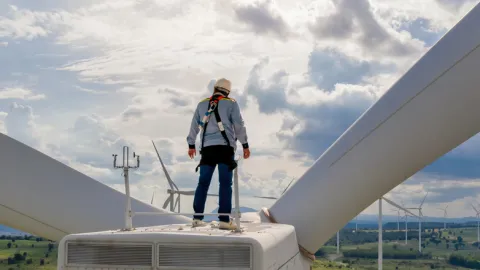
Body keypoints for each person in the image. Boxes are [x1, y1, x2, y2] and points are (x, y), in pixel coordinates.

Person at [186, 78, 250, 230]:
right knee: (225, 184)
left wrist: (191, 144)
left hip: (207, 149)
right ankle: (224, 219)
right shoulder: (231, 103)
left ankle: (197, 218)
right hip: (225, 149)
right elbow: (238, 125)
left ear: (215, 89)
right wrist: (245, 145)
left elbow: (194, 124)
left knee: (203, 183)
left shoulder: (202, 104)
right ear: (227, 91)